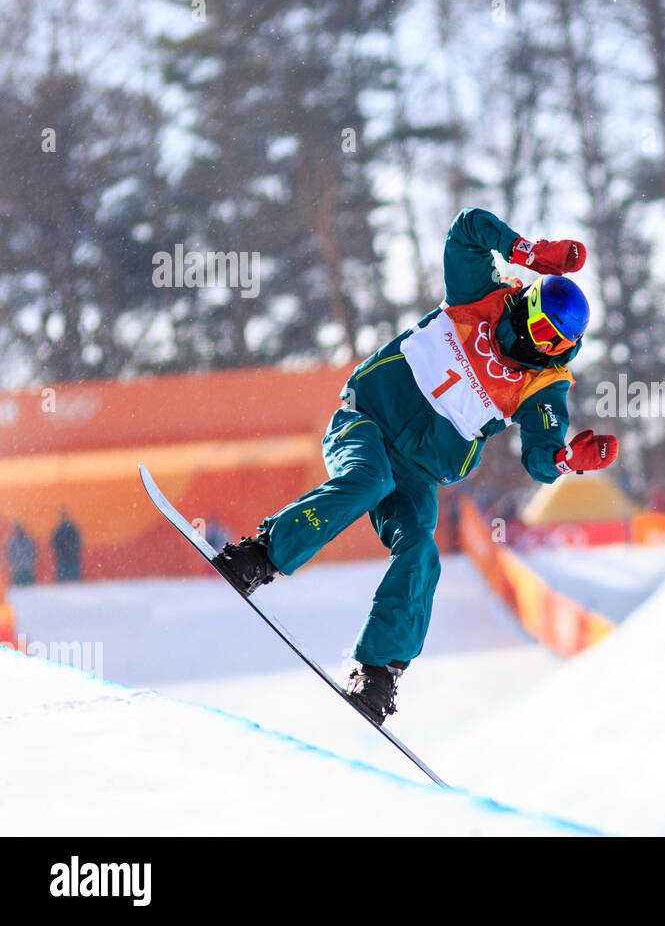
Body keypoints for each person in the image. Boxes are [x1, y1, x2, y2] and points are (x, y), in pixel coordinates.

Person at [213, 208, 618, 723]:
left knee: (421, 549)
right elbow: (466, 229)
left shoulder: (543, 384)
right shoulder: (484, 297)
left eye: (553, 342)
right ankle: (260, 556)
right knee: (367, 479)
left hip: (418, 472)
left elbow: (539, 457)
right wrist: (529, 253)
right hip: (366, 420)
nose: (535, 341)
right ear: (528, 302)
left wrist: (566, 458)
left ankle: (378, 671)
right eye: (536, 323)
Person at [51, 509, 82, 583]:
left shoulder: (68, 530)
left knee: (73, 580)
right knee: (65, 580)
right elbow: (54, 543)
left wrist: (73, 549)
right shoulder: (60, 530)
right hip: (65, 557)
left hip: (69, 557)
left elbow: (78, 541)